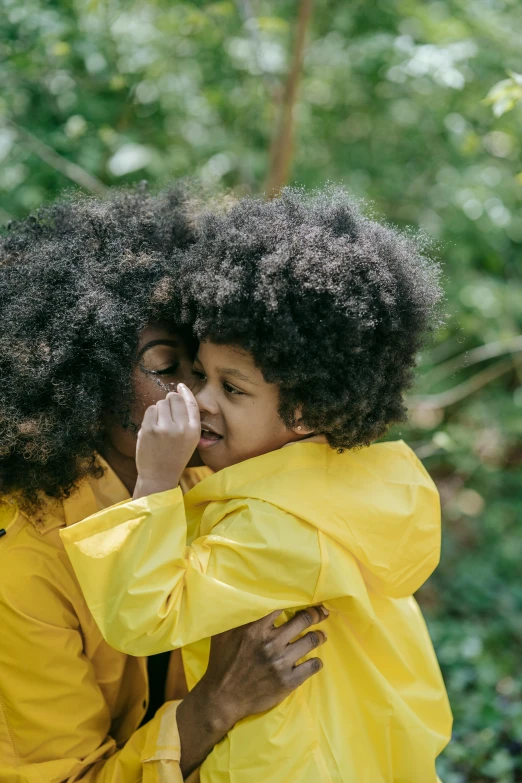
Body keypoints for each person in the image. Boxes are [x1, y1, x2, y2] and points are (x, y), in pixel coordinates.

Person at [61, 187, 453, 782]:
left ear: (307, 409)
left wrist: (157, 479)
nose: (198, 400)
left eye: (231, 388)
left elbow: (143, 619)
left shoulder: (277, 525)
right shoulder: (347, 484)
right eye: (197, 373)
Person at [0, 185, 329, 783]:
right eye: (165, 366)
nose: (196, 398)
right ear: (80, 372)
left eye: (205, 371)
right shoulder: (22, 561)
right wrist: (215, 707)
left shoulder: (215, 472)